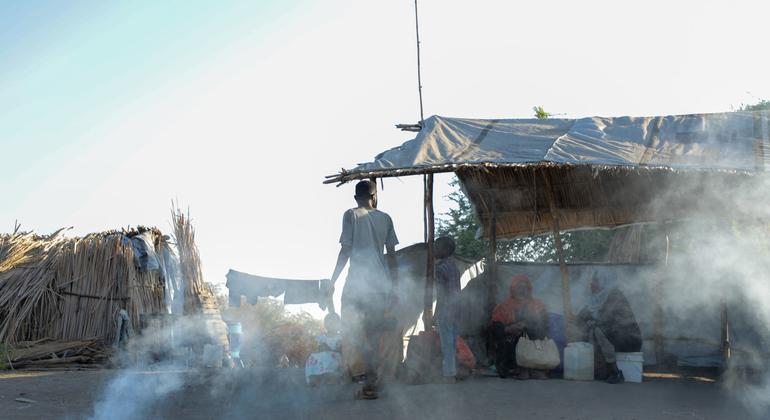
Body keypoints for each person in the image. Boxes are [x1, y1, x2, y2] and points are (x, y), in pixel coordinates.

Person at [329, 180, 398, 400]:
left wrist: (333, 279)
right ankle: (373, 379)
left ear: (355, 197)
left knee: (355, 331)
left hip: (357, 286)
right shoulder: (386, 218)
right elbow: (392, 256)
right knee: (374, 335)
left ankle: (366, 381)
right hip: (380, 286)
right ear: (374, 196)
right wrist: (394, 286)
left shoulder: (350, 215)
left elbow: (345, 250)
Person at [577, 274, 642, 384]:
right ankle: (602, 370)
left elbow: (605, 318)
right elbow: (586, 314)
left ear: (603, 282)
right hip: (617, 337)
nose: (591, 284)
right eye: (591, 281)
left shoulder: (614, 296)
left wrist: (590, 319)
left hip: (630, 339)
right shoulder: (598, 299)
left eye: (595, 281)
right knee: (593, 330)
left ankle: (615, 372)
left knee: (598, 330)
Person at [491, 275, 549, 380]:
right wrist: (509, 329)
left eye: (524, 287)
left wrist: (526, 326)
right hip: (510, 345)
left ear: (529, 289)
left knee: (533, 336)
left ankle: (533, 368)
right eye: (518, 287)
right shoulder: (502, 307)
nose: (521, 291)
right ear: (512, 290)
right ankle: (519, 368)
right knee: (509, 340)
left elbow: (544, 327)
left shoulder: (538, 306)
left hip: (533, 344)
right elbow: (495, 330)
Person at [434, 236, 461, 383]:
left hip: (446, 309)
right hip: (456, 309)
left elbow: (442, 294)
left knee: (446, 344)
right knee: (452, 342)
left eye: (437, 247)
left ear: (445, 250)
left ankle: (449, 375)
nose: (434, 250)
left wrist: (436, 312)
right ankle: (453, 371)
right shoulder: (454, 266)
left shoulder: (440, 268)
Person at [305, 313, 343, 386]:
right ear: (325, 324)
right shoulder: (320, 337)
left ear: (338, 324)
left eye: (334, 322)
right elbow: (314, 347)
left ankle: (328, 376)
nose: (331, 325)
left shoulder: (340, 338)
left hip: (333, 356)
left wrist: (329, 349)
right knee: (312, 357)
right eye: (329, 322)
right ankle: (314, 375)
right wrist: (318, 349)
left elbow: (341, 351)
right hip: (320, 357)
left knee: (327, 356)